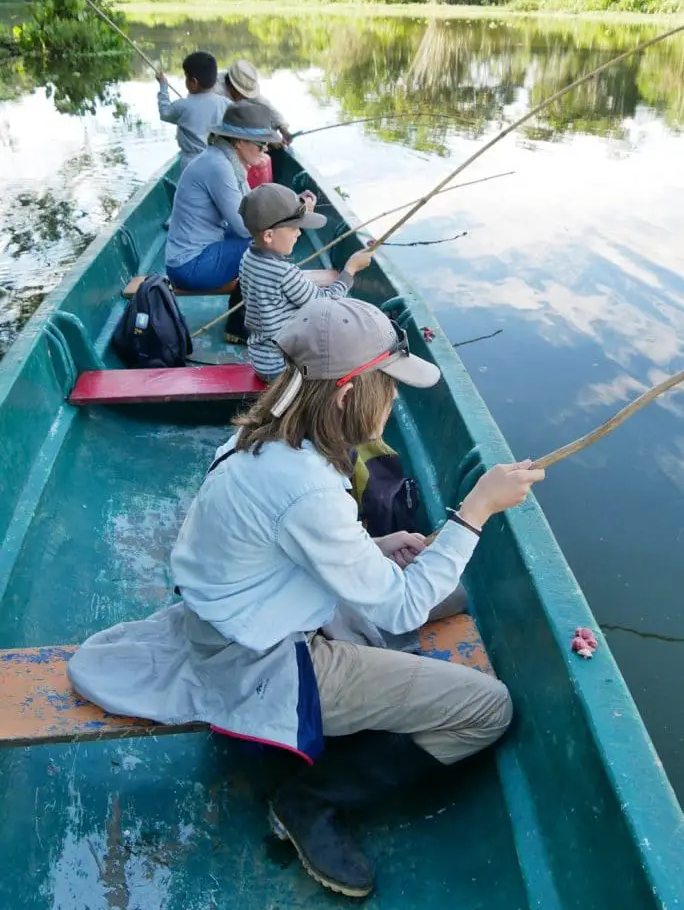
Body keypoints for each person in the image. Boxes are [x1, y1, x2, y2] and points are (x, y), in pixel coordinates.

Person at [67, 297, 545, 899]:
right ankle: (310, 799)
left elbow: (286, 537)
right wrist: (475, 511)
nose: (395, 401)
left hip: (243, 618)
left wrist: (374, 543)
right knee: (488, 709)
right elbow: (398, 607)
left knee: (445, 592)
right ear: (348, 394)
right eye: (387, 387)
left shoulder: (264, 440)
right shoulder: (307, 487)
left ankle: (344, 717)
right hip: (261, 659)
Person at [237, 182, 373, 381]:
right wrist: (349, 271)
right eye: (293, 228)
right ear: (268, 236)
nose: (299, 233)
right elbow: (325, 305)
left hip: (261, 359)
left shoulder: (248, 257)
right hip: (283, 367)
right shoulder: (283, 272)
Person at [164, 101, 280, 292]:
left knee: (268, 235)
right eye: (261, 144)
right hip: (188, 266)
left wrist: (291, 206)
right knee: (268, 244)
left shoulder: (226, 159)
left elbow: (250, 205)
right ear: (239, 142)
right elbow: (245, 227)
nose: (265, 149)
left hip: (201, 251)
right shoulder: (219, 166)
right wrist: (283, 223)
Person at [156, 51, 229, 172]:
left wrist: (163, 86)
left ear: (193, 82)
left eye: (186, 77)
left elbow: (165, 113)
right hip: (218, 161)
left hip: (191, 164)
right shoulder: (226, 104)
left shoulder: (183, 106)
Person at [216, 58, 293, 145]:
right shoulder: (215, 91)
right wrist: (268, 141)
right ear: (232, 85)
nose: (245, 97)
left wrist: (283, 129)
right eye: (242, 93)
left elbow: (267, 106)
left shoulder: (244, 83)